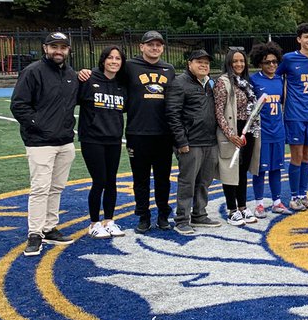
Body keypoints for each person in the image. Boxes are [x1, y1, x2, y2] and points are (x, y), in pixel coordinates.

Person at [10, 32, 80, 257]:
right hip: (40, 142)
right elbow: (19, 105)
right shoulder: (32, 71)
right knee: (40, 188)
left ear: (68, 50)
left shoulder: (71, 74)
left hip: (65, 141)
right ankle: (35, 233)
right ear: (45, 48)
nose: (58, 51)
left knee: (57, 188)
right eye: (54, 47)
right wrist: (39, 125)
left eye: (63, 47)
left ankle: (49, 227)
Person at [114, 31, 176, 232]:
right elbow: (110, 78)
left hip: (163, 133)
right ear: (142, 46)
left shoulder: (169, 69)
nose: (154, 48)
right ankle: (143, 216)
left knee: (162, 178)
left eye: (158, 45)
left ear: (163, 48)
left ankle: (163, 215)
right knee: (140, 179)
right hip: (138, 132)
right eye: (150, 44)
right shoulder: (130, 66)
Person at [166, 49, 221, 236]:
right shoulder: (180, 83)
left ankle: (199, 213)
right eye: (199, 62)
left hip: (209, 140)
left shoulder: (209, 84)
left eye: (206, 62)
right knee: (187, 181)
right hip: (190, 142)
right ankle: (182, 219)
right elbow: (172, 114)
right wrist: (181, 141)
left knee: (205, 180)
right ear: (189, 63)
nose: (204, 65)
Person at [78, 45, 127, 239]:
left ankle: (109, 220)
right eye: (110, 58)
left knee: (111, 181)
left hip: (114, 138)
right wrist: (79, 73)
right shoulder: (89, 78)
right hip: (92, 139)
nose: (114, 61)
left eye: (118, 58)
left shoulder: (122, 84)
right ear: (103, 60)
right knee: (99, 180)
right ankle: (94, 223)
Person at [278, 22, 308, 211]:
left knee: (307, 156)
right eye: (306, 37)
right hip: (294, 114)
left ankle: (303, 195)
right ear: (299, 40)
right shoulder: (289, 59)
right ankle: (294, 197)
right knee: (296, 156)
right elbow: (275, 75)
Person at [214, 48, 259, 226]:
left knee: (242, 171)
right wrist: (230, 134)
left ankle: (242, 206)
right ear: (229, 63)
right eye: (235, 61)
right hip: (232, 131)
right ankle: (232, 209)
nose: (239, 64)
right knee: (230, 170)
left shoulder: (246, 82)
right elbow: (218, 112)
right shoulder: (222, 82)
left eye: (242, 61)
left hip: (248, 130)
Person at [249, 42, 291, 217]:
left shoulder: (280, 80)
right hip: (262, 132)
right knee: (260, 169)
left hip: (278, 131)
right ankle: (259, 203)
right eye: (268, 62)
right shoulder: (254, 80)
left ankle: (276, 201)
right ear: (260, 63)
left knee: (276, 168)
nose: (272, 65)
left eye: (275, 62)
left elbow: (283, 103)